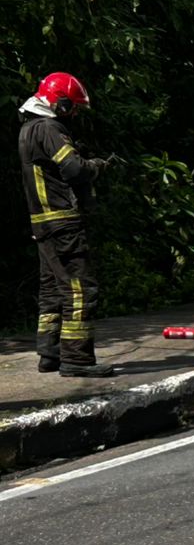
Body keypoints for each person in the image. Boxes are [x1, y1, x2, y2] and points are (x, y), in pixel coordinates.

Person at [18, 73, 114, 377]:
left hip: (43, 224)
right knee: (80, 289)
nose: (73, 113)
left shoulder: (28, 129)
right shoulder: (49, 128)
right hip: (62, 222)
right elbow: (74, 169)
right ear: (57, 102)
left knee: (52, 290)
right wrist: (96, 166)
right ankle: (77, 360)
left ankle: (50, 353)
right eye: (71, 107)